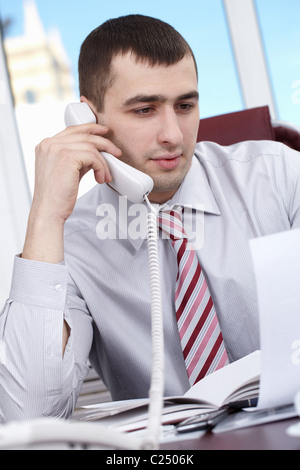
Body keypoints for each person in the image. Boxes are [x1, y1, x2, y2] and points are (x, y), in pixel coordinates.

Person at [1, 14, 300, 422]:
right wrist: (45, 217)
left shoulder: (279, 176)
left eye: (185, 105)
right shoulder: (68, 243)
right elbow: (26, 414)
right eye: (145, 110)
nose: (174, 135)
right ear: (88, 120)